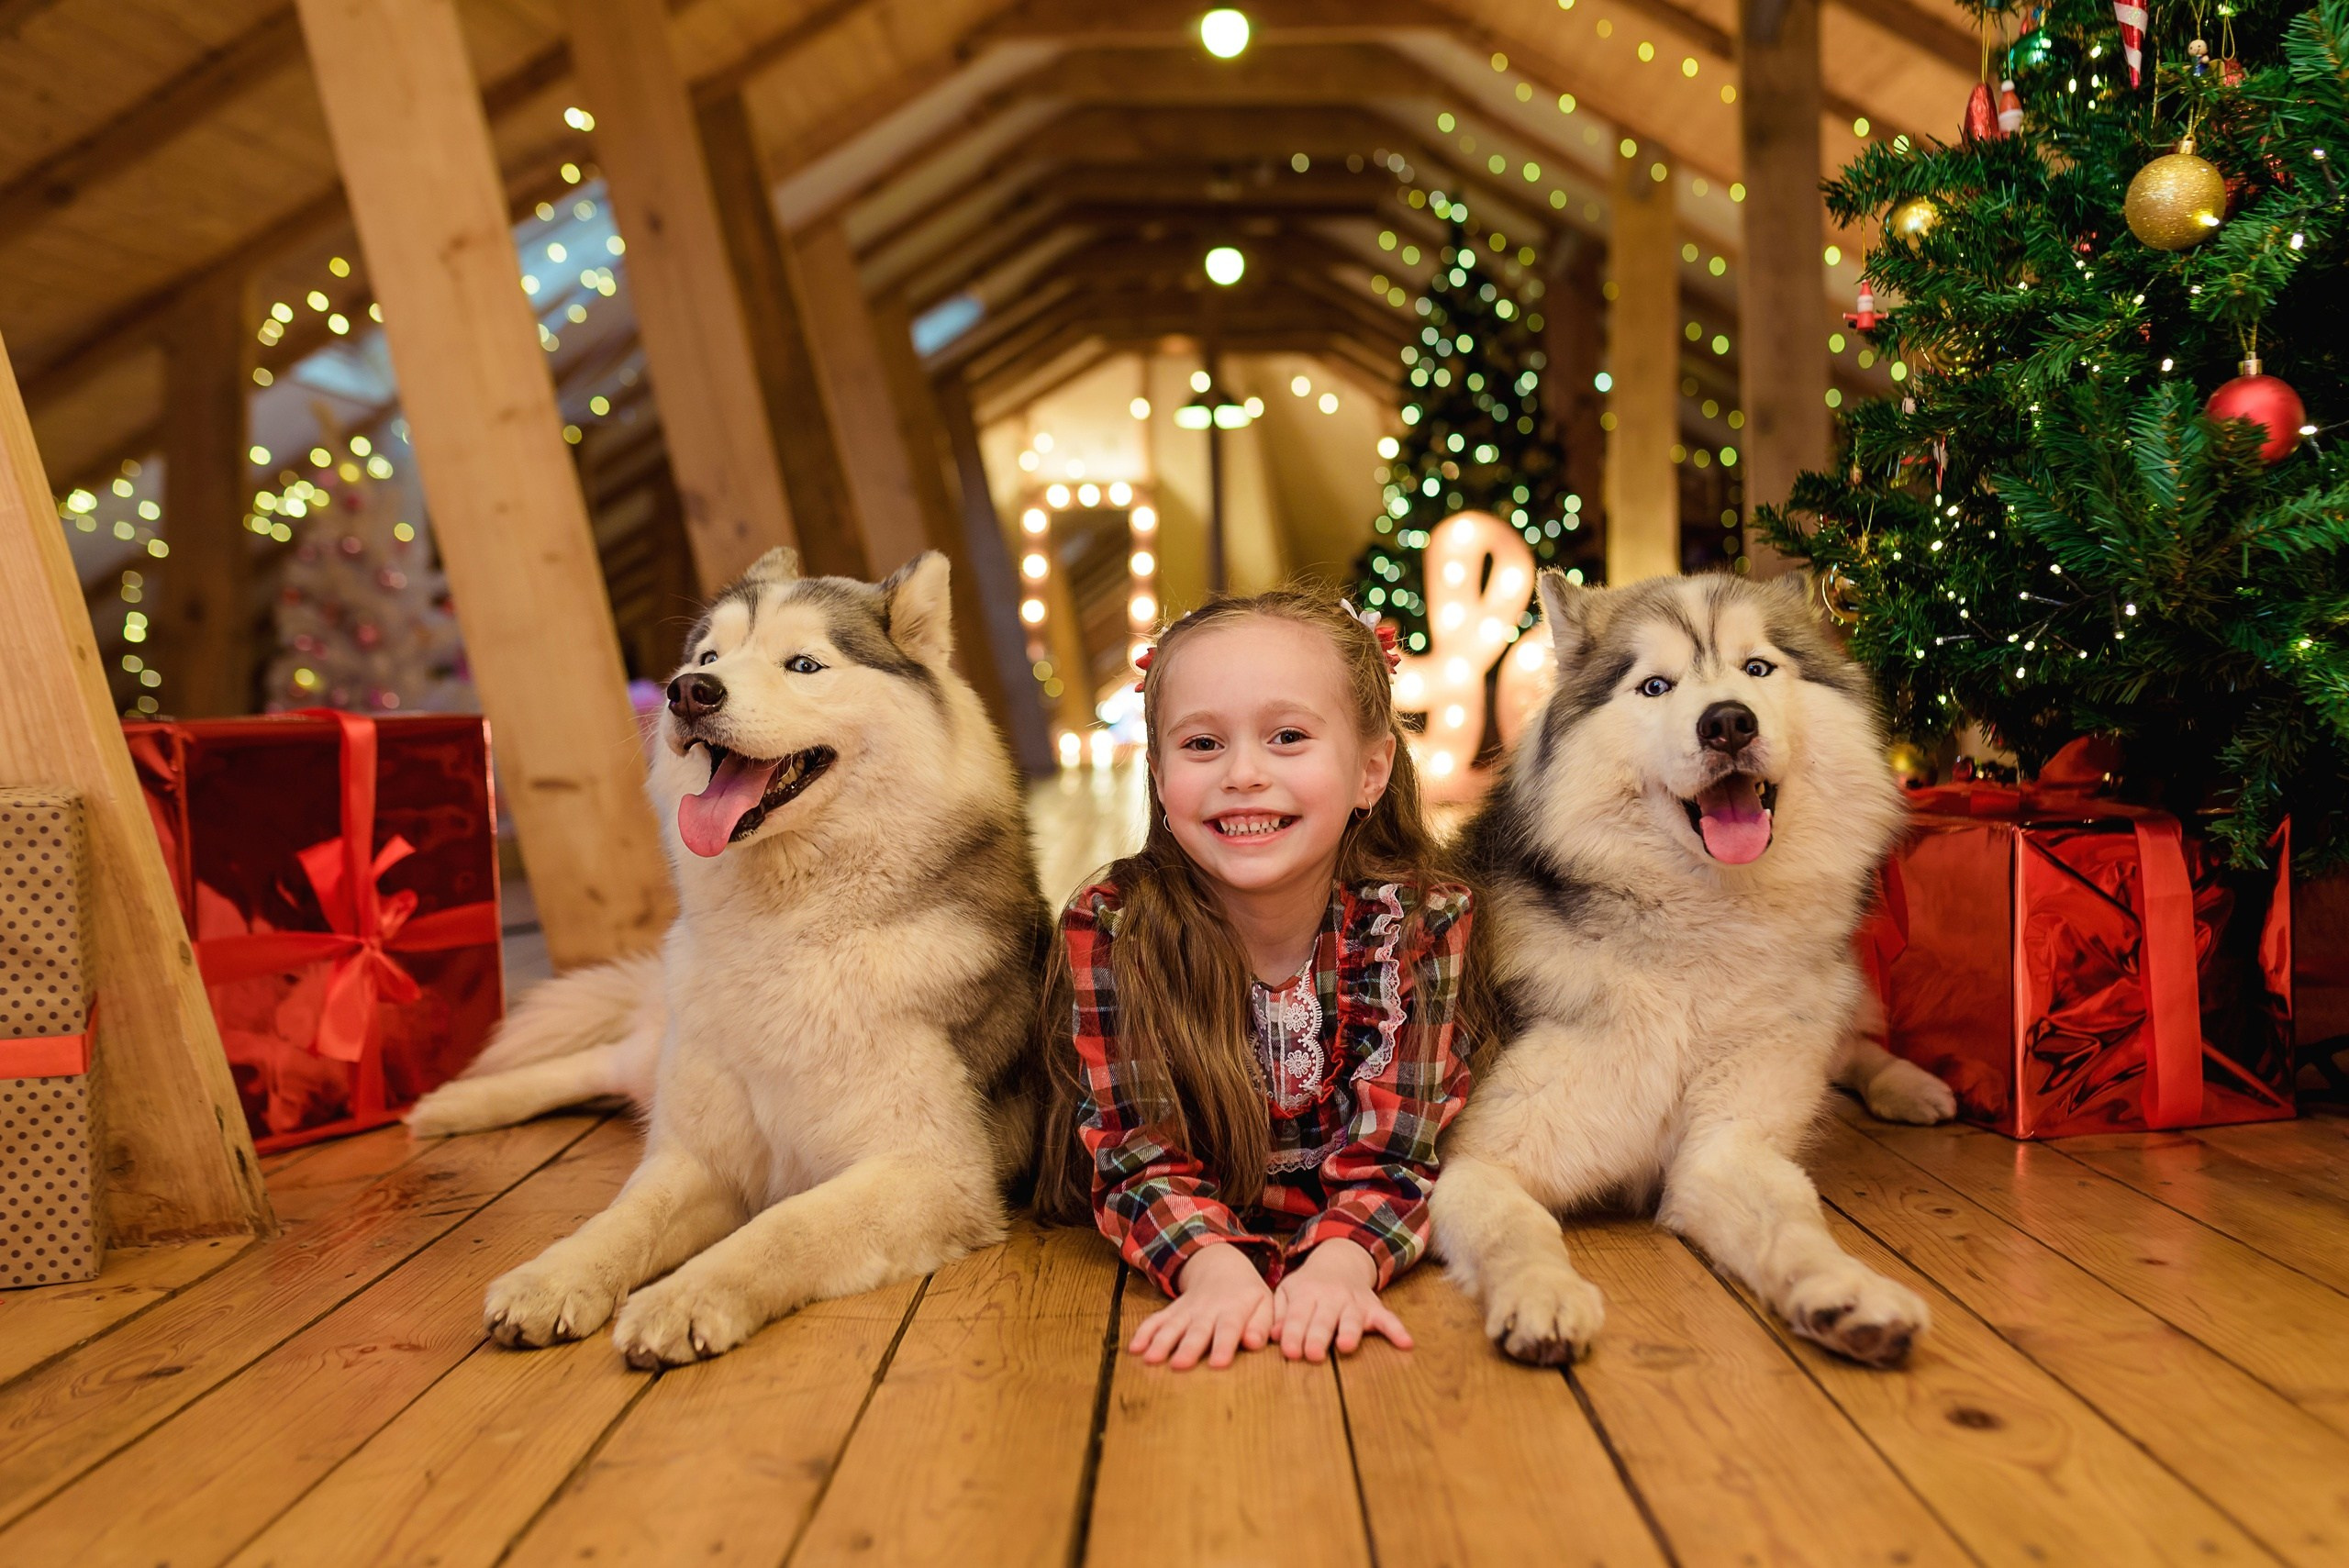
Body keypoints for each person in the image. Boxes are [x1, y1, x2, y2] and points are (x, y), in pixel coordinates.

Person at [1038, 587, 1475, 1372]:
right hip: (1198, 1243)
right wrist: (1211, 1270)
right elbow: (1139, 1156)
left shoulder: (1419, 923)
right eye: (1202, 744)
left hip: (1357, 1239)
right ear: (1158, 773)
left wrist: (1342, 1268)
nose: (1244, 773)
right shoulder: (1114, 927)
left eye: (1287, 736)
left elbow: (1399, 1155)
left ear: (1371, 769)